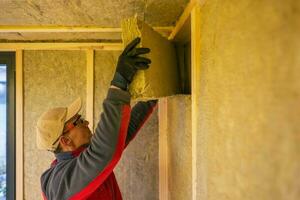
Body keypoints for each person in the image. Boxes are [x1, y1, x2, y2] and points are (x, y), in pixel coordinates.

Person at [36, 37, 157, 200]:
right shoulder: (59, 184)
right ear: (65, 141)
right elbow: (104, 151)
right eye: (78, 122)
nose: (86, 122)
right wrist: (119, 82)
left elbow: (118, 135)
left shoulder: (83, 158)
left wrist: (152, 96)